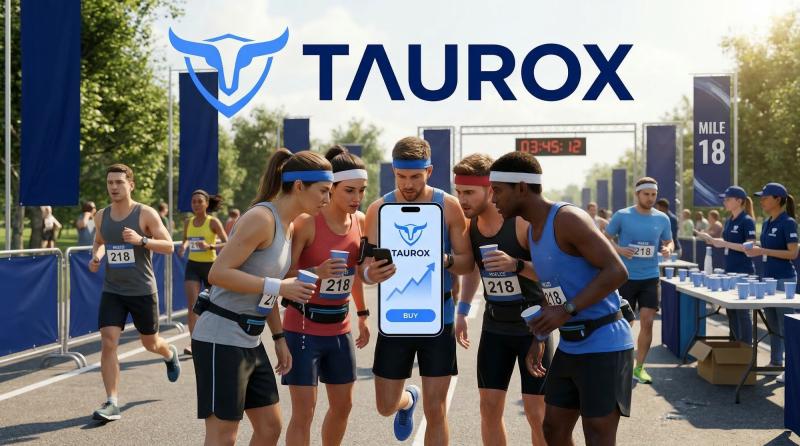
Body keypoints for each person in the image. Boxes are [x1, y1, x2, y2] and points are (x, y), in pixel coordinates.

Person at [488, 151, 633, 446]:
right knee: (553, 429)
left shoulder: (567, 219)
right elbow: (553, 287)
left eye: (498, 191)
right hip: (571, 345)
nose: (493, 199)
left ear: (521, 187)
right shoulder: (533, 231)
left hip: (605, 342)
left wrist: (567, 310)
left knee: (597, 436)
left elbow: (617, 271)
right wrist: (540, 336)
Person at [192, 149, 330, 445]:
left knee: (270, 428)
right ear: (299, 186)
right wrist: (280, 287)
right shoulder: (262, 218)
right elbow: (218, 273)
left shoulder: (289, 225)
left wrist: (279, 338)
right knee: (223, 436)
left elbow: (266, 289)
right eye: (323, 191)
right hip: (220, 337)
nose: (327, 199)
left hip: (250, 340)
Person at [363, 136, 473, 444]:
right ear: (394, 171)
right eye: (401, 176)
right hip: (396, 317)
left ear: (429, 171)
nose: (408, 184)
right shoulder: (379, 209)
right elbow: (365, 271)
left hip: (438, 316)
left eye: (415, 176)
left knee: (436, 410)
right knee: (385, 406)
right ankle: (407, 400)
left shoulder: (448, 206)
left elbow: (467, 263)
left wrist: (446, 260)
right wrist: (371, 273)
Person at [452, 153, 551, 446]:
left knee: (537, 413)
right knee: (489, 408)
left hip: (533, 327)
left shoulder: (520, 224)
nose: (462, 200)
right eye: (459, 192)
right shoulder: (470, 227)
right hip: (495, 327)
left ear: (490, 189)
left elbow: (551, 275)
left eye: (469, 192)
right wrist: (462, 311)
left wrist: (516, 265)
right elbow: (474, 270)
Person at [283, 145, 372, 446]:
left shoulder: (360, 221)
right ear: (330, 188)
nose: (357, 198)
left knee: (343, 406)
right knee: (304, 412)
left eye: (362, 190)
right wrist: (316, 272)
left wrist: (362, 315)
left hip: (339, 328)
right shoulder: (306, 222)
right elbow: (284, 277)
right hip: (302, 327)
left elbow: (353, 274)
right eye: (349, 190)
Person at [88, 164, 180, 421]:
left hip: (142, 290)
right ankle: (112, 402)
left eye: (119, 182)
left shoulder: (145, 213)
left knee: (150, 343)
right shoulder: (101, 216)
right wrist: (96, 256)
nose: (114, 187)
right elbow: (100, 241)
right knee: (108, 341)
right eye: (110, 183)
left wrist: (142, 240)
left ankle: (169, 353)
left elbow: (169, 246)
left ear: (131, 184)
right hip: (113, 290)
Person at [605, 177, 673, 384]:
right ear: (637, 194)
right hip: (625, 276)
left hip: (650, 277)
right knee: (624, 323)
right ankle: (619, 365)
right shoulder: (622, 215)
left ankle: (639, 368)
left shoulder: (662, 218)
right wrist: (619, 250)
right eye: (646, 194)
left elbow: (669, 240)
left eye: (653, 194)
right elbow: (604, 238)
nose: (650, 198)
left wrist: (667, 249)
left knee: (648, 321)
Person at [744, 182, 798, 383]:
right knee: (772, 325)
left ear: (778, 199)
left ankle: (791, 368)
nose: (762, 201)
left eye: (765, 198)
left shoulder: (788, 222)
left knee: (786, 327)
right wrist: (755, 247)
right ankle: (776, 363)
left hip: (784, 280)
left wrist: (763, 251)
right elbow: (767, 247)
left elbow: (793, 253)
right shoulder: (767, 222)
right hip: (767, 279)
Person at [177, 190, 228, 355]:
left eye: (200, 201)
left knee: (215, 304)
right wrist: (183, 246)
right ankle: (194, 343)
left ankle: (217, 338)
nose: (196, 204)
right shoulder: (188, 222)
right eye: (194, 202)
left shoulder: (213, 222)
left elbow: (227, 243)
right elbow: (186, 239)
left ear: (206, 203)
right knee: (192, 305)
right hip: (193, 266)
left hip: (210, 267)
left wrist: (210, 246)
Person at [707, 186, 756, 343]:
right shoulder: (729, 220)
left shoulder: (747, 221)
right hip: (729, 270)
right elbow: (727, 242)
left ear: (739, 201)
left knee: (742, 312)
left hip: (743, 271)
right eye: (724, 199)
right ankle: (734, 347)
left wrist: (725, 243)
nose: (724, 202)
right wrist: (716, 241)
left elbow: (750, 247)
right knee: (731, 311)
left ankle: (746, 348)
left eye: (728, 199)